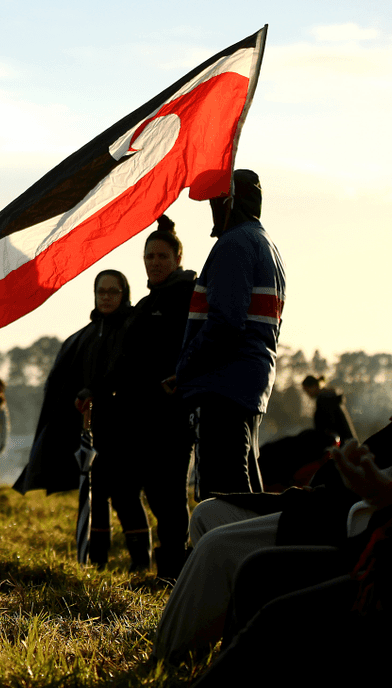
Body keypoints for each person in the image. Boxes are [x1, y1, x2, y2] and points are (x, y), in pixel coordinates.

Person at [153, 249, 392, 661]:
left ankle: (163, 663)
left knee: (219, 548)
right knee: (208, 513)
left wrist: (360, 485)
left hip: (359, 523)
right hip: (337, 503)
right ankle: (212, 646)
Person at [175, 169, 286, 499]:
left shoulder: (233, 245)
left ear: (228, 202)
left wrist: (184, 370)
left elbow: (225, 323)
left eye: (214, 201)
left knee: (222, 499)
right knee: (244, 492)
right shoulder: (264, 243)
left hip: (223, 388)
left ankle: (230, 553)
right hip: (248, 387)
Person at [17, 269, 135, 567]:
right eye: (101, 292)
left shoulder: (132, 327)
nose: (107, 297)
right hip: (91, 428)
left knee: (124, 493)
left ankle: (141, 562)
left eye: (113, 291)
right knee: (97, 492)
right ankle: (97, 561)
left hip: (124, 425)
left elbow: (124, 371)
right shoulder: (87, 334)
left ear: (124, 294)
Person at [111, 216, 198, 579]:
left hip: (171, 416)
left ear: (178, 258)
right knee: (145, 491)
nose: (155, 262)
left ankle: (175, 574)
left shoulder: (188, 297)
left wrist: (180, 377)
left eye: (162, 256)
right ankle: (159, 568)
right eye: (149, 256)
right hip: (139, 416)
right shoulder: (147, 304)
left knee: (169, 496)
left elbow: (198, 344)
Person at [301, 375, 355, 444]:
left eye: (307, 390)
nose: (307, 394)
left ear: (314, 386)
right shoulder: (328, 397)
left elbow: (329, 426)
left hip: (340, 443)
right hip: (345, 441)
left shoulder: (323, 400)